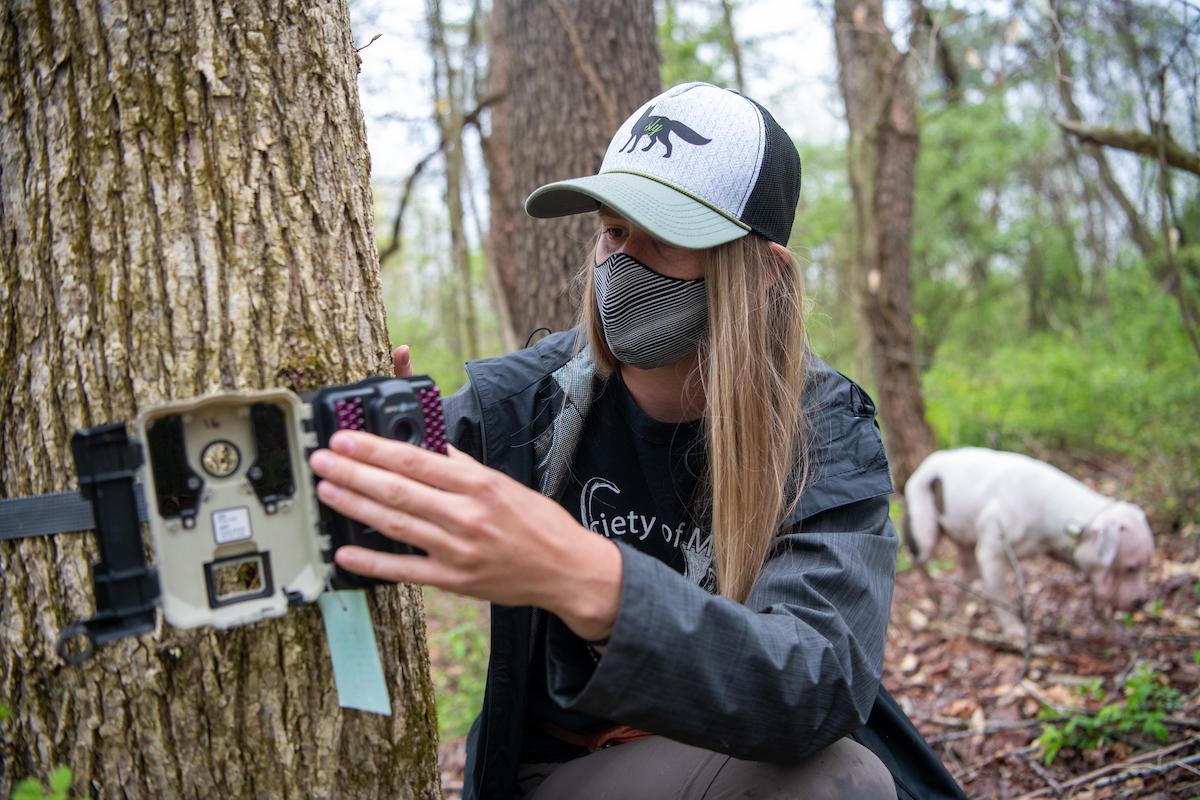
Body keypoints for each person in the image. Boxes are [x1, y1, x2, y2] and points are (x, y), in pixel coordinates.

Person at [308, 82, 929, 799]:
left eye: (662, 238)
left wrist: (589, 579)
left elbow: (815, 683)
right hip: (563, 772)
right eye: (613, 231)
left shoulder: (823, 430)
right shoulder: (527, 405)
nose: (623, 265)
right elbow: (364, 498)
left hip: (737, 757)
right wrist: (375, 452)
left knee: (840, 783)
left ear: (762, 273)